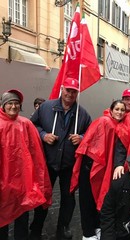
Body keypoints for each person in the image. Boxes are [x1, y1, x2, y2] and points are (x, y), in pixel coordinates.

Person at [29, 77, 92, 240]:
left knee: (68, 198)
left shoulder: (82, 113)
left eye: (74, 91)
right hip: (47, 162)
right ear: (62, 89)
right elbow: (32, 125)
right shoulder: (46, 108)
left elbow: (92, 134)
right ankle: (36, 227)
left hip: (69, 164)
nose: (70, 94)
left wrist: (82, 137)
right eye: (68, 90)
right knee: (43, 195)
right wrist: (43, 135)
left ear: (77, 93)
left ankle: (63, 228)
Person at [0, 89, 52, 240]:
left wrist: (37, 177)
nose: (14, 107)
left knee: (22, 213)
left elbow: (37, 153)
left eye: (16, 103)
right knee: (2, 215)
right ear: (3, 105)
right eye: (10, 103)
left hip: (23, 180)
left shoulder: (26, 124)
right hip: (3, 181)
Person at [71, 100, 126, 240]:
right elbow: (91, 143)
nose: (119, 112)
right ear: (111, 110)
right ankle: (87, 233)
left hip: (101, 168)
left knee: (97, 198)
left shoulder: (117, 125)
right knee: (87, 200)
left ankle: (95, 227)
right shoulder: (103, 121)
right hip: (91, 168)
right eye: (117, 109)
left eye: (122, 110)